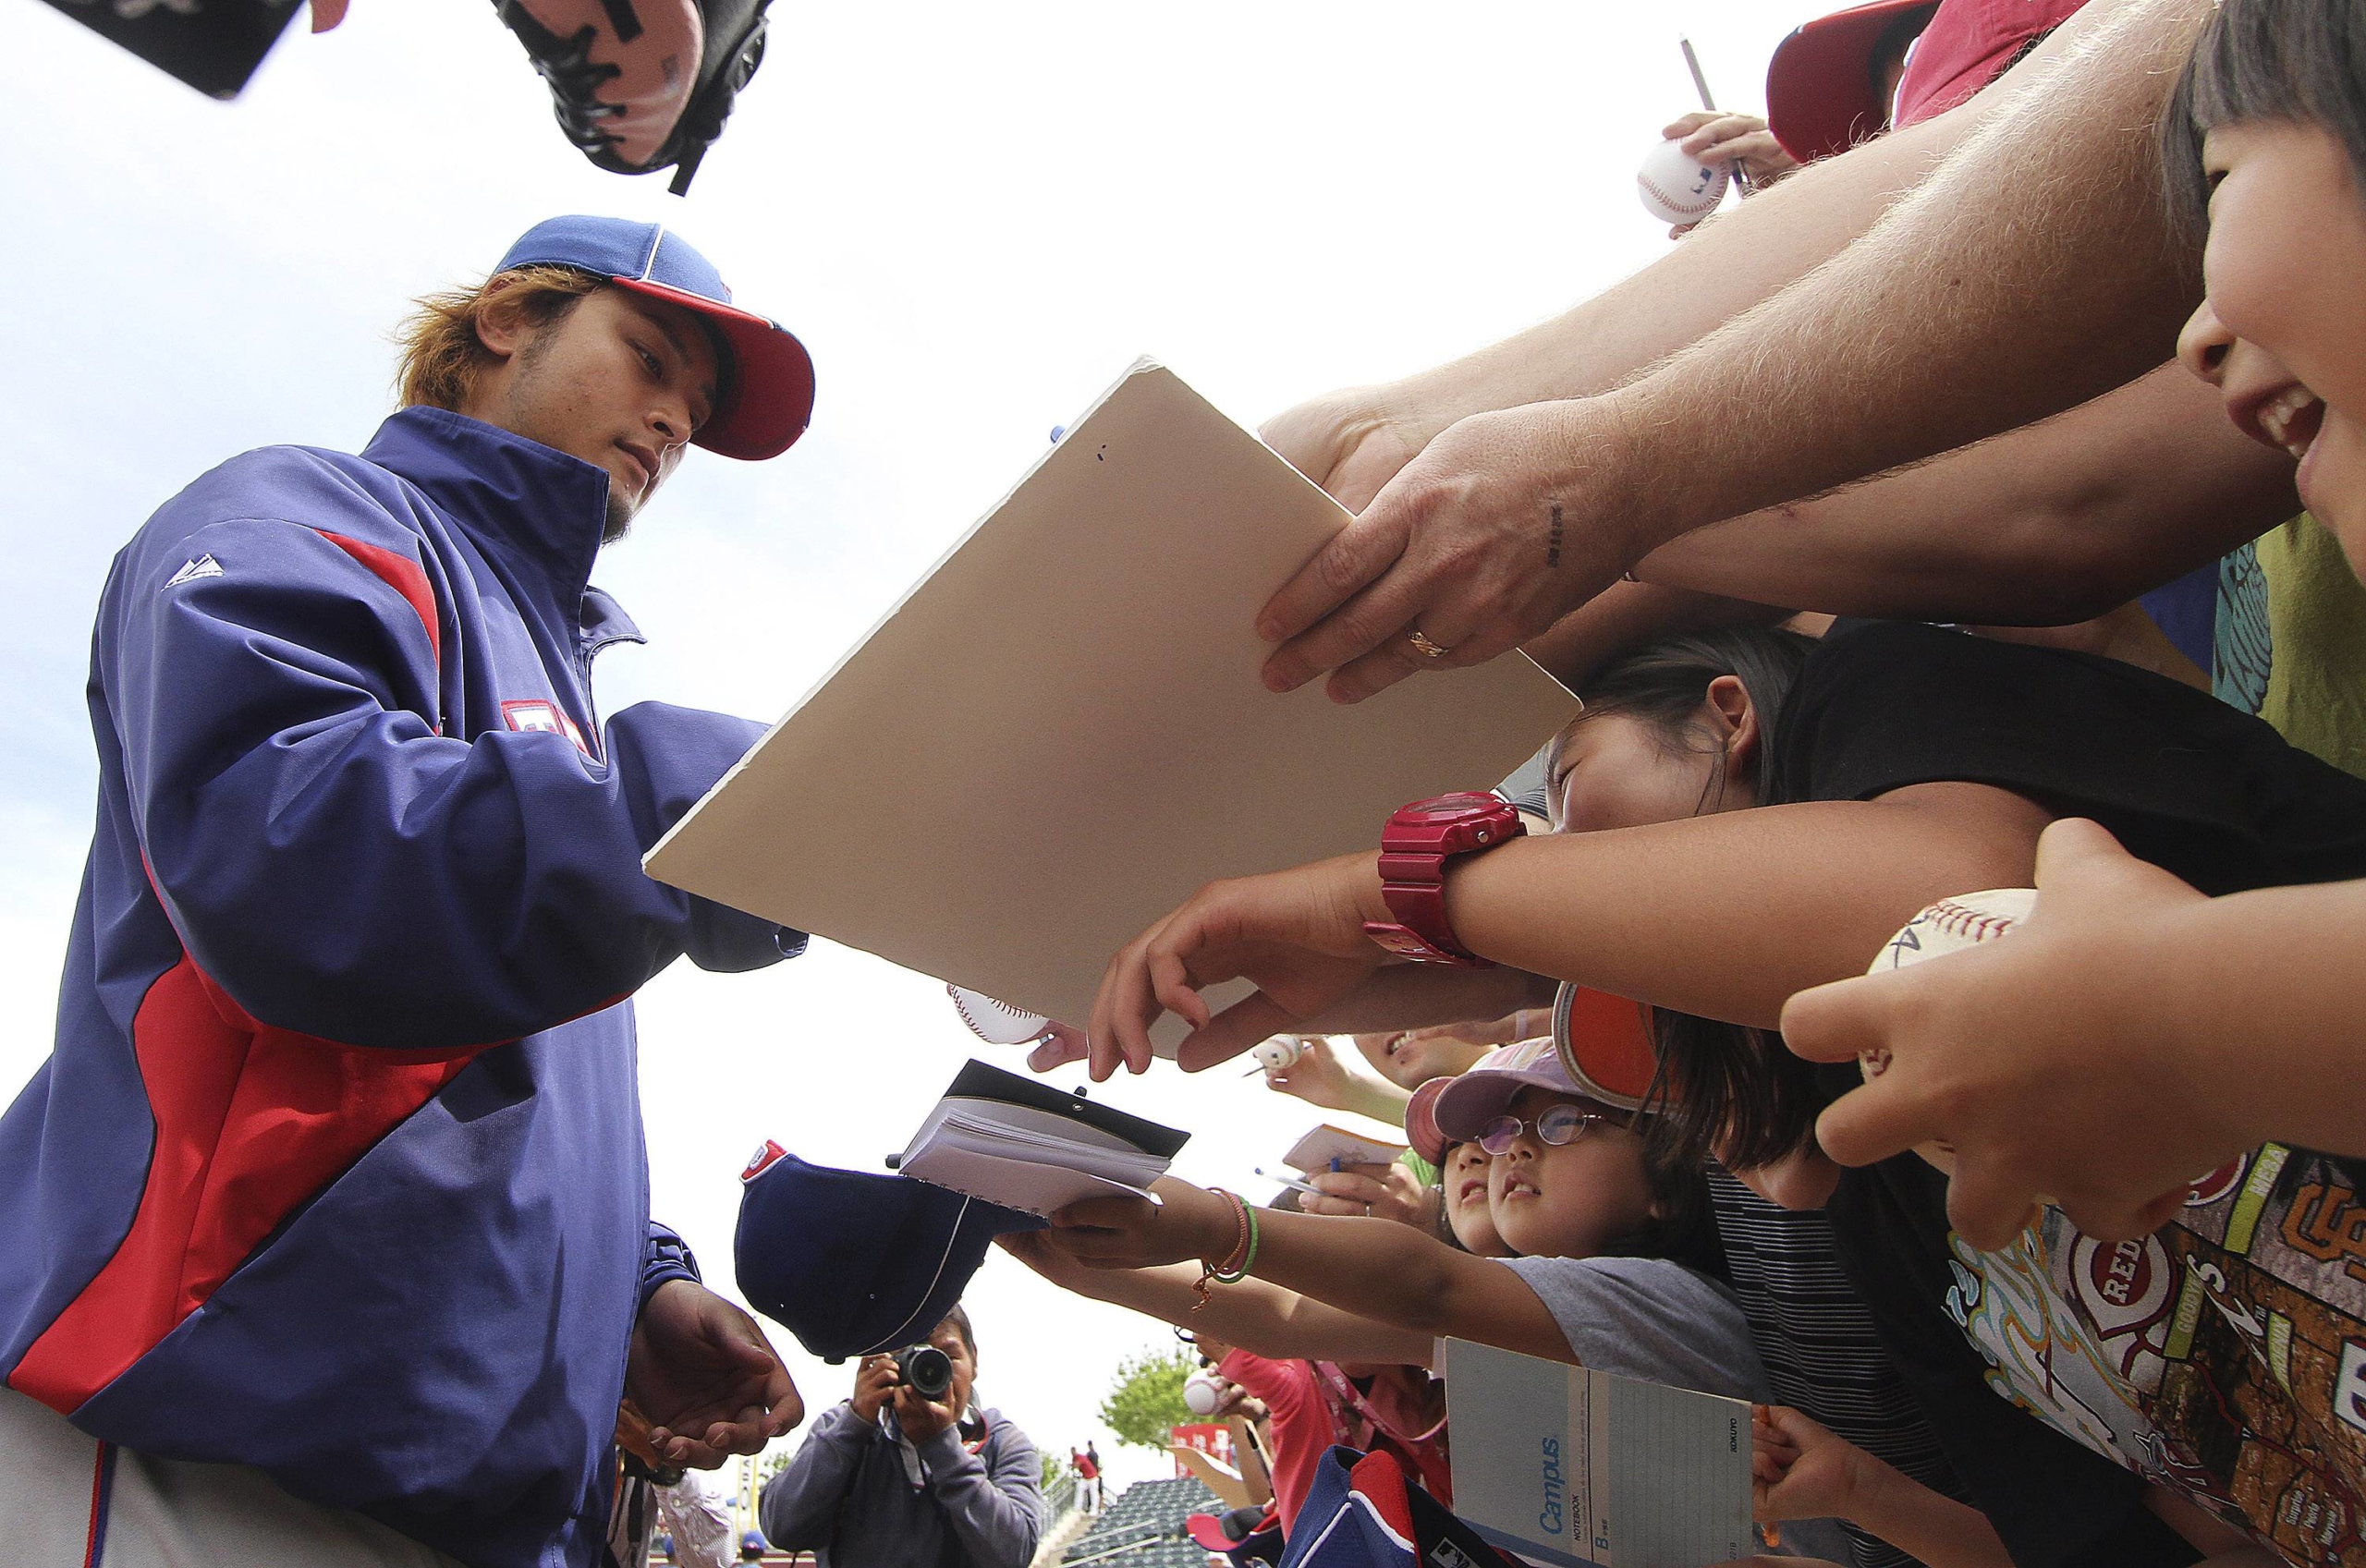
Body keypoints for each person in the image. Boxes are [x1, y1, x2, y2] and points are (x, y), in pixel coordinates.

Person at [1082, 614, 2366, 1562]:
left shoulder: (1873, 699)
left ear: (1727, 712)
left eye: (1573, 810)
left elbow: (1941, 912)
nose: (1572, 882)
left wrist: (1387, 897)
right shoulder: (1901, 1239)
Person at [0, 215, 817, 1568]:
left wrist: (634, 1287)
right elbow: (296, 856)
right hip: (199, 1453)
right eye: (652, 356)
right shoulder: (306, 510)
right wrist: (711, 810)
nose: (674, 419)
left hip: (456, 1506)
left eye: (701, 405)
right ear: (507, 317)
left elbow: (508, 1084)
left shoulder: (558, 680)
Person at [1013, 1040, 1852, 1560]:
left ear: (1666, 1183)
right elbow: (1285, 1318)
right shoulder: (1515, 1326)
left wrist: (1222, 1224)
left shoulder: (1655, 1298)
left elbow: (1428, 1284)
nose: (1509, 1147)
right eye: (1487, 1138)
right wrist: (1081, 1271)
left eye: (1563, 1124)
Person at [761, 1307, 1043, 1568]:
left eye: (948, 1356)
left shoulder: (1002, 1442)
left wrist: (942, 1448)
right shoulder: (842, 1427)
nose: (930, 1369)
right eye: (908, 1356)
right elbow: (782, 1529)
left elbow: (1014, 1554)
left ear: (974, 1361)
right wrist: (854, 1424)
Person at [1074, 1443, 1102, 1514]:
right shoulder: (1076, 1458)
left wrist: (1072, 1466)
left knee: (1094, 1493)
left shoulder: (1081, 1457)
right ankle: (1077, 1508)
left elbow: (1077, 1464)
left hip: (1093, 1477)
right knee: (1079, 1489)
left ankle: (1094, 1510)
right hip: (1085, 1478)